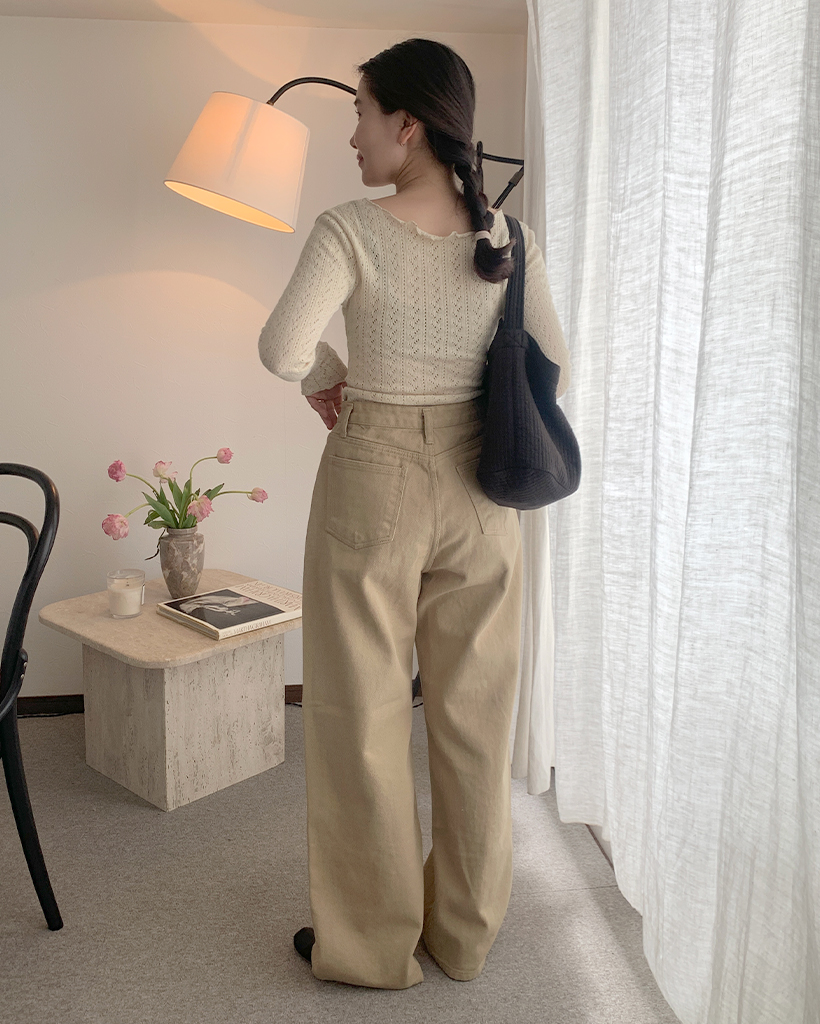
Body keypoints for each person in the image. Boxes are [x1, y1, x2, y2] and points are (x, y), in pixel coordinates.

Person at [258, 37, 570, 990]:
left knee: (360, 715)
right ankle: (463, 935)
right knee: (475, 719)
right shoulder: (508, 238)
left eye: (358, 113)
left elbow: (282, 347)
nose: (351, 136)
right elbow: (556, 362)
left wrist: (331, 378)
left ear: (407, 124)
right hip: (483, 488)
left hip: (374, 475)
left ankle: (370, 948)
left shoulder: (351, 229)